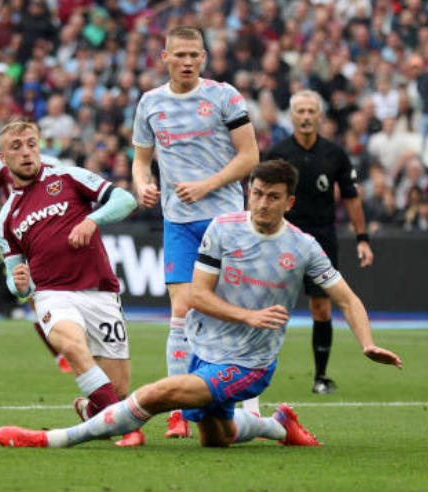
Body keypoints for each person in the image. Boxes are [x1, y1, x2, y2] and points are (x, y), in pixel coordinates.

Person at [0, 159, 403, 449]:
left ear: (289, 203)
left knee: (157, 394)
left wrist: (367, 343)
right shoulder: (222, 230)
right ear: (248, 191)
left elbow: (348, 300)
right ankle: (278, 424)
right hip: (204, 348)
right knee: (216, 436)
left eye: (272, 197)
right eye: (256, 193)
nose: (261, 204)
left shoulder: (303, 247)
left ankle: (51, 440)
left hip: (250, 363)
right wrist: (249, 315)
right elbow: (198, 297)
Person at [131, 25, 260, 437]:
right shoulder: (150, 103)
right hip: (179, 223)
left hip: (226, 221)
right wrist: (141, 184)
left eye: (195, 55)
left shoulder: (224, 96)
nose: (188, 61)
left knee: (234, 315)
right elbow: (141, 160)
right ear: (163, 56)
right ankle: (177, 411)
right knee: (182, 313)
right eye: (180, 54)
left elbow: (250, 156)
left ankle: (250, 409)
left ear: (204, 57)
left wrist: (207, 185)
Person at [0, 120, 144, 447]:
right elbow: (14, 279)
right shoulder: (6, 217)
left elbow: (125, 201)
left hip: (100, 291)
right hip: (52, 295)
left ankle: (92, 409)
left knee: (118, 390)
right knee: (74, 348)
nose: (26, 152)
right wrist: (18, 284)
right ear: (3, 158)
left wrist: (92, 219)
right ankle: (128, 428)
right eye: (16, 147)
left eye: (31, 144)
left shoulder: (67, 176)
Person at [266, 90, 374, 394]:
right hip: (282, 237)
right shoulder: (277, 153)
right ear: (292, 116)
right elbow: (259, 197)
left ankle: (321, 377)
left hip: (321, 239)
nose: (305, 116)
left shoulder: (335, 154)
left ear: (320, 116)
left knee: (321, 309)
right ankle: (255, 372)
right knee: (269, 307)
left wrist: (362, 238)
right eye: (300, 111)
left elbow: (351, 197)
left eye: (311, 111)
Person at [0, 155, 73, 374]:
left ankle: (68, 346)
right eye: (16, 143)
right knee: (33, 298)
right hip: (18, 235)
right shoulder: (1, 167)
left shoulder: (54, 165)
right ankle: (60, 352)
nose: (23, 148)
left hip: (47, 234)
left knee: (57, 292)